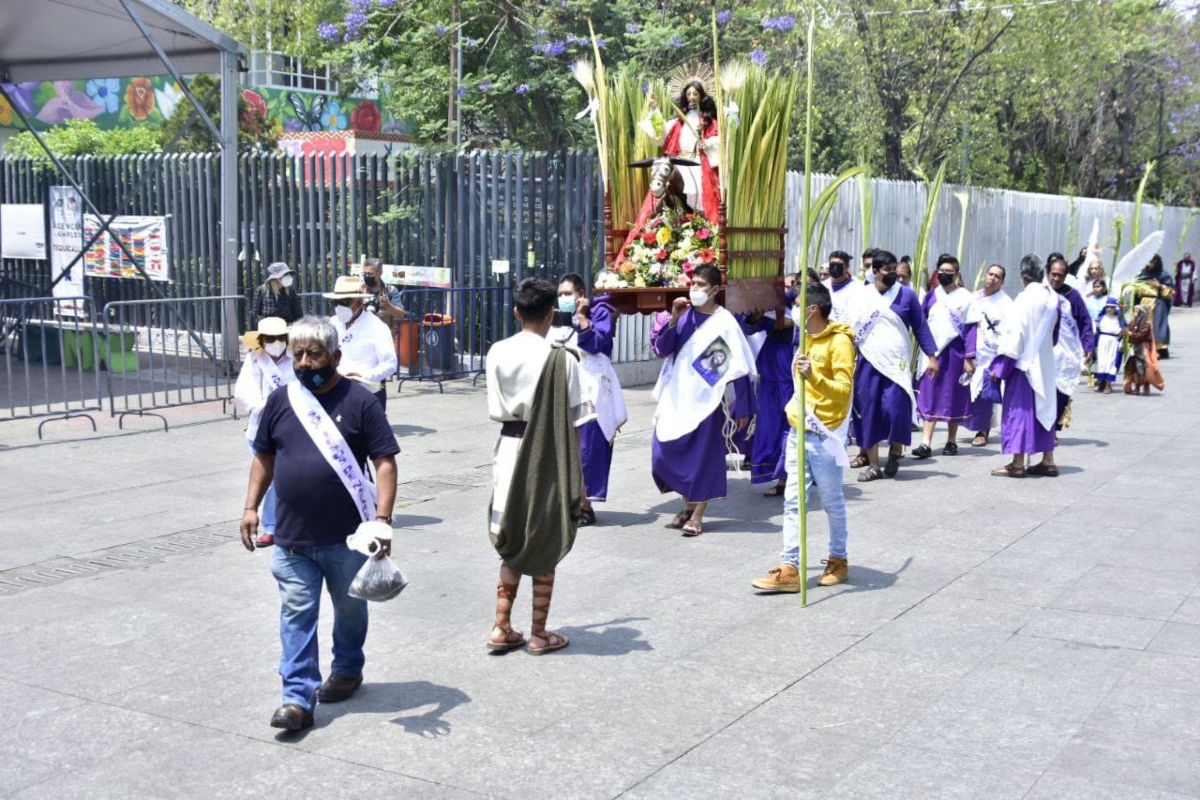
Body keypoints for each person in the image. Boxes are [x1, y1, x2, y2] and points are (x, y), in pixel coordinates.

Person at [240, 315, 399, 731]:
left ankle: (347, 668)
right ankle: (296, 697)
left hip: (346, 538)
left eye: (315, 354)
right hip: (292, 537)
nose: (305, 362)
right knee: (297, 612)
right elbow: (264, 456)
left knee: (350, 608)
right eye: (299, 354)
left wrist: (382, 520)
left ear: (336, 356)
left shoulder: (360, 402)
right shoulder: (281, 401)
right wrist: (251, 507)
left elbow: (385, 463)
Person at [485, 277, 591, 655]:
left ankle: (501, 627)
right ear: (551, 313)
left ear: (517, 312)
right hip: (547, 454)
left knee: (511, 538)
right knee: (546, 537)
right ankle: (538, 633)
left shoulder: (496, 351)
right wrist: (579, 480)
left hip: (509, 451)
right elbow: (576, 425)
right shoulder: (562, 360)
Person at [751, 281, 856, 592]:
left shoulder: (840, 342)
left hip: (824, 435)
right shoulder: (803, 338)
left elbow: (842, 392)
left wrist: (814, 375)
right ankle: (790, 568)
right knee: (793, 502)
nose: (791, 309)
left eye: (796, 303)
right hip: (798, 430)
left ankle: (839, 558)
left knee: (832, 501)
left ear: (812, 309)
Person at [650, 264, 756, 537]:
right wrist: (673, 318)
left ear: (716, 290)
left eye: (700, 284)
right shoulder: (683, 315)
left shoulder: (724, 322)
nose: (694, 288)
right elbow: (663, 349)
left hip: (708, 400)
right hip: (676, 395)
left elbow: (738, 367)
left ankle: (697, 515)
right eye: (692, 283)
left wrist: (742, 405)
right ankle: (687, 504)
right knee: (662, 454)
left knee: (703, 458)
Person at [844, 251, 937, 481]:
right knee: (870, 411)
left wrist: (932, 356)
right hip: (868, 361)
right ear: (874, 271)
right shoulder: (860, 296)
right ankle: (874, 465)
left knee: (896, 409)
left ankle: (896, 450)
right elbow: (848, 328)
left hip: (896, 363)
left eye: (895, 269)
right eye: (887, 270)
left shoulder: (906, 296)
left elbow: (920, 326)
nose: (893, 274)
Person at [548, 273, 628, 525]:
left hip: (591, 393)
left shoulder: (600, 311)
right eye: (560, 294)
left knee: (587, 449)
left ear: (581, 294)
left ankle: (586, 506)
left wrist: (582, 318)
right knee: (565, 448)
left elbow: (599, 344)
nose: (563, 298)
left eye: (568, 293)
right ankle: (568, 502)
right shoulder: (554, 316)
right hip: (565, 388)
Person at [988, 256, 1060, 478]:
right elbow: (1055, 335)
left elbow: (1014, 336)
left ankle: (1017, 463)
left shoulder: (1023, 299)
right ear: (1043, 273)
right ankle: (1048, 460)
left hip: (1023, 366)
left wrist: (1000, 368)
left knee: (1020, 411)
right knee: (1044, 408)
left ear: (1022, 274)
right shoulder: (1052, 298)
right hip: (1045, 363)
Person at [234, 317, 296, 548]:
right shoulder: (254, 360)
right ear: (261, 341)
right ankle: (271, 525)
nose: (277, 343)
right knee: (268, 480)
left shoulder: (295, 359)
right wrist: (261, 406)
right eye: (271, 339)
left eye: (281, 338)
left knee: (283, 478)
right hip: (260, 428)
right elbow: (243, 390)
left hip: (290, 428)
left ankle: (279, 523)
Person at [913, 254, 973, 458]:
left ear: (957, 274)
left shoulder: (966, 297)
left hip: (955, 353)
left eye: (950, 272)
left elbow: (971, 329)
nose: (945, 275)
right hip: (933, 353)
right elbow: (921, 325)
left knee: (952, 396)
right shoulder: (930, 296)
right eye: (942, 271)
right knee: (930, 394)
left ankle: (951, 441)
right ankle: (925, 443)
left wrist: (969, 357)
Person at [739, 304, 796, 496]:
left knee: (790, 427)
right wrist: (759, 311)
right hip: (770, 371)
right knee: (769, 427)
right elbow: (749, 327)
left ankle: (787, 478)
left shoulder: (804, 307)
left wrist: (794, 325)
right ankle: (777, 475)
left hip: (793, 373)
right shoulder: (771, 305)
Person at [645, 80, 721, 218]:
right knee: (663, 174)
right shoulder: (678, 121)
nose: (691, 97)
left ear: (701, 96)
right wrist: (655, 110)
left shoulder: (708, 120)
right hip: (679, 160)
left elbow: (719, 139)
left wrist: (708, 143)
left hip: (697, 161)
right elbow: (660, 134)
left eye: (695, 94)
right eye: (689, 94)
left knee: (699, 184)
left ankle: (700, 215)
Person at [324, 275, 399, 412]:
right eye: (336, 302)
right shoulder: (332, 324)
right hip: (335, 394)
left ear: (359, 301)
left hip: (366, 396)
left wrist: (364, 377)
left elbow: (390, 363)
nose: (340, 306)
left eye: (346, 302)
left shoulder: (376, 327)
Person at [1047, 256, 1096, 447]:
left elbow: (1085, 322)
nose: (1056, 279)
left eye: (1060, 275)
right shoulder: (1041, 293)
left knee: (1060, 393)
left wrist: (1089, 346)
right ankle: (1043, 427)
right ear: (1047, 273)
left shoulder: (1073, 296)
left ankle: (1053, 430)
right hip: (1045, 352)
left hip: (1066, 353)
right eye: (1053, 274)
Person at [963, 265, 1014, 447]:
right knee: (970, 393)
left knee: (986, 395)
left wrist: (1000, 362)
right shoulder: (974, 298)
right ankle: (971, 425)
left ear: (1002, 281)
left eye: (997, 276)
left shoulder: (1006, 303)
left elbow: (1009, 333)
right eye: (990, 274)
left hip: (993, 355)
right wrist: (967, 355)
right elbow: (968, 326)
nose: (993, 278)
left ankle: (982, 431)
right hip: (975, 352)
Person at [1131, 254, 1175, 358]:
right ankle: (1144, 349)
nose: (1148, 264)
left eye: (1150, 261)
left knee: (1157, 326)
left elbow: (1170, 292)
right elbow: (1135, 291)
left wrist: (1159, 286)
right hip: (1143, 303)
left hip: (1157, 303)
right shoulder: (1142, 274)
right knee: (1142, 326)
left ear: (1156, 262)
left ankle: (1158, 350)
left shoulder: (1163, 275)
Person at [1124, 304, 1166, 395]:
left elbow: (1141, 335)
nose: (1135, 313)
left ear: (1141, 313)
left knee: (1145, 367)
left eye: (1136, 311)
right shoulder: (1133, 322)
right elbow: (1127, 329)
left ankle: (1146, 385)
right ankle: (1137, 387)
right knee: (1133, 368)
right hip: (1134, 347)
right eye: (1134, 311)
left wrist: (1130, 333)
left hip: (1143, 348)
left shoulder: (1146, 324)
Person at [250, 262, 303, 327]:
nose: (287, 276)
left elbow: (298, 315)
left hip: (286, 331)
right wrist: (268, 326)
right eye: (284, 274)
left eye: (287, 274)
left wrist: (290, 326)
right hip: (267, 331)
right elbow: (255, 315)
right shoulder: (261, 291)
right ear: (275, 278)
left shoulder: (291, 293)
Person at [361, 258, 407, 328]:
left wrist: (389, 306)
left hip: (384, 337)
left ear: (380, 273)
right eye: (365, 274)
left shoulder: (390, 291)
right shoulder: (359, 290)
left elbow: (401, 316)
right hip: (363, 335)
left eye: (370, 274)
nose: (367, 276)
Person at [1093, 298, 1126, 394]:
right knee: (1102, 362)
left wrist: (1121, 344)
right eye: (1107, 307)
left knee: (1111, 363)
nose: (1109, 309)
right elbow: (1097, 331)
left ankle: (1108, 385)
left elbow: (1123, 332)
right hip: (1102, 342)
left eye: (1111, 307)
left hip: (1114, 342)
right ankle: (1101, 382)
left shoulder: (1119, 319)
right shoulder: (1101, 318)